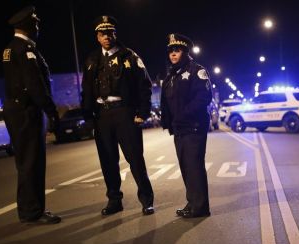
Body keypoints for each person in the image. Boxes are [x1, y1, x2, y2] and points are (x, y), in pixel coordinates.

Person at [81, 16, 155, 216]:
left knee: (135, 158)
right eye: (102, 33)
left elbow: (144, 85)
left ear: (115, 34)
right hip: (102, 115)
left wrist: (143, 112)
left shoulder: (129, 56)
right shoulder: (92, 60)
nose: (106, 37)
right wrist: (87, 116)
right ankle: (114, 200)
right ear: (97, 37)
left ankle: (146, 200)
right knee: (108, 160)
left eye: (110, 32)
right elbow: (86, 90)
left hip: (124, 112)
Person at [2, 6, 61, 224]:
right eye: (35, 23)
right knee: (31, 162)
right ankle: (32, 212)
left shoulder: (11, 48)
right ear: (27, 25)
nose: (38, 27)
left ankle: (30, 209)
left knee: (26, 161)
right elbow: (35, 84)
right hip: (26, 112)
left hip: (16, 110)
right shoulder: (24, 48)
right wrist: (51, 110)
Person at [161, 33, 212, 218]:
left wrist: (184, 114)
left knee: (194, 166)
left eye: (177, 50)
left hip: (194, 126)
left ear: (185, 51)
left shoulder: (196, 70)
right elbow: (167, 102)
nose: (173, 54)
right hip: (179, 128)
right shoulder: (172, 75)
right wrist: (167, 120)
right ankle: (192, 203)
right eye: (170, 51)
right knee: (185, 166)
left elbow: (204, 97)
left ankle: (200, 207)